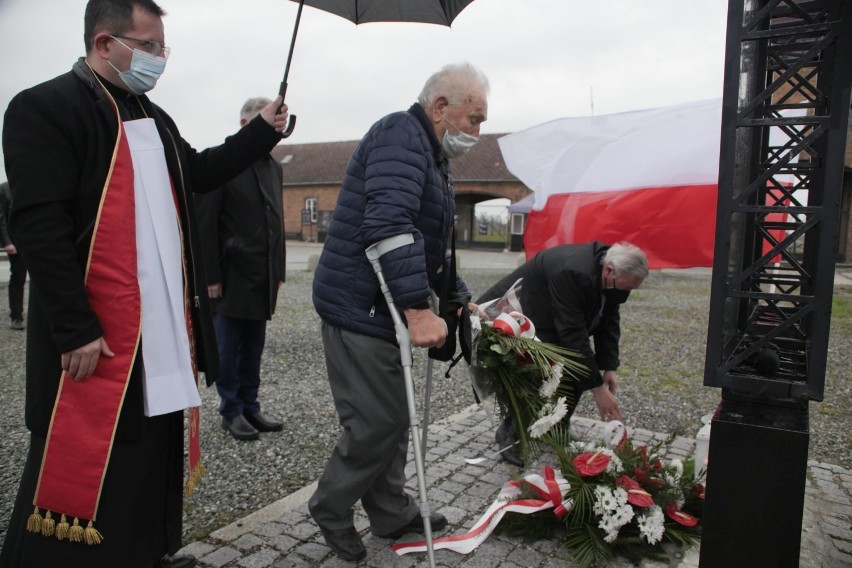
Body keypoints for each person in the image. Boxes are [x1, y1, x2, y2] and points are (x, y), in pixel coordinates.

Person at [0, 0, 290, 566]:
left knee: (149, 449)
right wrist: (74, 326)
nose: (159, 58)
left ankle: (147, 550)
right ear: (105, 43)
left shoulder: (151, 115)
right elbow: (39, 227)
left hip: (158, 325)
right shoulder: (44, 107)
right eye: (149, 46)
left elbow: (198, 173)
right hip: (95, 329)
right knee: (93, 454)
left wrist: (261, 132)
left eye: (162, 48)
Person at [309, 62, 488, 561]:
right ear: (440, 107)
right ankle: (330, 505)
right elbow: (389, 226)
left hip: (379, 305)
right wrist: (416, 311)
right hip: (360, 305)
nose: (477, 132)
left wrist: (456, 294)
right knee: (378, 419)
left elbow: (431, 243)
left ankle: (389, 510)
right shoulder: (399, 136)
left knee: (393, 414)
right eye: (474, 119)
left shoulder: (431, 155)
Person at [478, 241, 648, 466]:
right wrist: (597, 388)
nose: (626, 294)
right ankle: (511, 434)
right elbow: (573, 334)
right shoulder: (574, 272)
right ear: (608, 270)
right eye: (625, 288)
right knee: (534, 370)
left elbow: (608, 320)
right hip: (517, 312)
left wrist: (609, 366)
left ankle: (556, 426)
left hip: (551, 313)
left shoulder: (610, 275)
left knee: (577, 367)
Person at [194, 97, 286, 441]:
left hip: (261, 276)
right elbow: (205, 224)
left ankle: (251, 404)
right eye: (268, 123)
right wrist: (211, 276)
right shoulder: (224, 161)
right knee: (227, 349)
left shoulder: (273, 167)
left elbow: (276, 222)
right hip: (231, 276)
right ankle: (230, 409)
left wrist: (278, 271)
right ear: (247, 124)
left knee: (253, 347)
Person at [0, 181, 26, 330]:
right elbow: (1, 218)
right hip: (16, 244)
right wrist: (7, 242)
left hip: (35, 241)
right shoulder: (4, 189)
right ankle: (16, 316)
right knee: (18, 278)